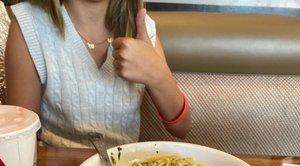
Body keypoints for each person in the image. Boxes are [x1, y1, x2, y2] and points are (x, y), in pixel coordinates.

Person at [5, 0, 191, 148]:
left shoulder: (142, 28)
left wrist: (157, 75)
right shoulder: (27, 24)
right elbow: (19, 139)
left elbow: (181, 129)